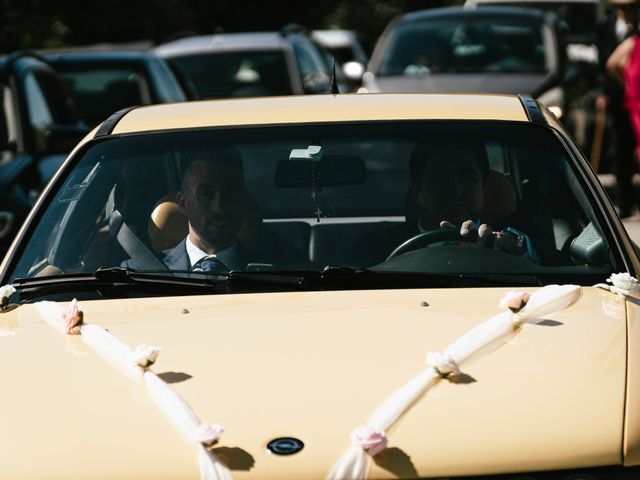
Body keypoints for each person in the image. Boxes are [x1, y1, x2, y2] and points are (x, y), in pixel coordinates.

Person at [355, 139, 564, 266]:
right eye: (440, 178)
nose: (456, 189)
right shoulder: (375, 249)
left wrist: (517, 248)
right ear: (418, 192)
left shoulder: (509, 244)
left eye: (467, 178)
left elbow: (567, 274)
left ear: (483, 188)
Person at [124, 145, 307, 272]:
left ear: (243, 199)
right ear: (182, 202)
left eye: (231, 192)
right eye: (206, 194)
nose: (219, 207)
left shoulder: (285, 274)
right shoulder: (136, 274)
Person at [596, 0, 640, 218]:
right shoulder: (606, 27)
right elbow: (606, 63)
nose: (628, 11)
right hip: (619, 98)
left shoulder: (636, 31)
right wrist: (605, 92)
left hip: (636, 100)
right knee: (620, 150)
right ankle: (625, 200)